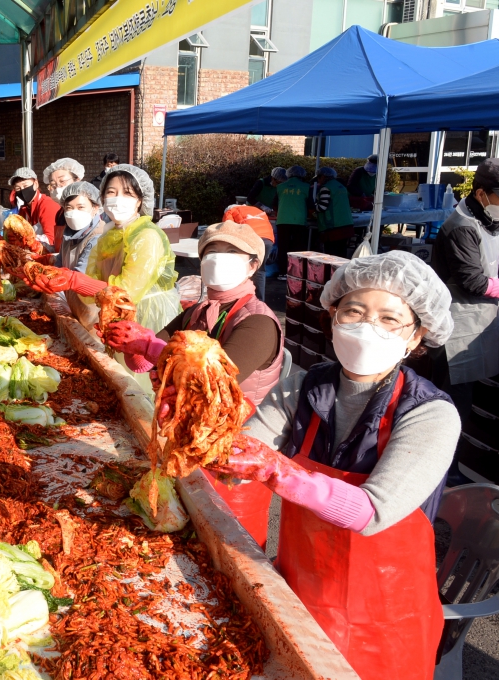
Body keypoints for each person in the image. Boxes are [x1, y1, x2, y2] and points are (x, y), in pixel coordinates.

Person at [208, 250, 457, 680]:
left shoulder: (429, 413)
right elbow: (242, 450)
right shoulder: (305, 385)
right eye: (354, 311)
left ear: (416, 337)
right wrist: (199, 426)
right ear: (333, 316)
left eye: (388, 319)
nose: (366, 327)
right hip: (300, 591)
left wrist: (278, 471)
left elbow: (371, 512)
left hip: (385, 617)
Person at [105, 220, 283, 548]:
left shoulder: (258, 323)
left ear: (253, 264)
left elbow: (211, 382)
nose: (219, 258)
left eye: (231, 252)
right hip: (185, 444)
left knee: (227, 552)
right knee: (178, 541)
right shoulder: (195, 313)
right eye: (211, 251)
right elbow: (145, 361)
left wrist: (153, 347)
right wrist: (132, 341)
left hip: (233, 459)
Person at [26, 164, 180, 394]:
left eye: (127, 193)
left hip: (148, 318)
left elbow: (126, 294)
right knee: (119, 381)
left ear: (140, 200)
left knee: (146, 387)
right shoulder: (109, 233)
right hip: (115, 318)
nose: (118, 199)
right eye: (111, 192)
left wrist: (74, 281)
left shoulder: (147, 235)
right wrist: (62, 279)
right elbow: (93, 286)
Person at [431, 158, 499, 426]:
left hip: (483, 319)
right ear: (481, 194)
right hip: (458, 327)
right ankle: (447, 464)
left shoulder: (489, 218)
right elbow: (473, 281)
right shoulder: (460, 226)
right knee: (452, 401)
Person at [52, 182, 106, 327]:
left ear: (95, 208)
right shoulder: (69, 233)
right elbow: (58, 264)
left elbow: (80, 276)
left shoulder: (98, 236)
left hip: (93, 313)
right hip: (74, 305)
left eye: (81, 207)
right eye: (69, 208)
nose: (73, 212)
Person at [222, 203, 275, 301]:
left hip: (251, 237)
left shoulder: (231, 211)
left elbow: (227, 229)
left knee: (241, 266)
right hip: (268, 240)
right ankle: (259, 300)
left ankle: (238, 298)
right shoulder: (256, 209)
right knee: (260, 270)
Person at [8, 167, 62, 251]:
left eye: (25, 185)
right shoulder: (23, 210)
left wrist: (24, 241)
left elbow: (51, 240)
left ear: (36, 184)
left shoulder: (47, 205)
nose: (22, 190)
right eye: (18, 188)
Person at [274, 165, 311, 279]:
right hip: (299, 221)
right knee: (297, 248)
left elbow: (274, 205)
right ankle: (295, 273)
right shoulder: (306, 187)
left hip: (282, 221)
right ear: (302, 175)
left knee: (283, 247)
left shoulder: (280, 187)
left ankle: (282, 273)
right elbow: (311, 207)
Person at [312, 166, 354, 257]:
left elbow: (322, 207)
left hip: (333, 227)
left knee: (332, 255)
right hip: (347, 224)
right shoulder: (341, 187)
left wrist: (313, 207)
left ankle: (332, 272)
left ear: (322, 177)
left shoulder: (326, 188)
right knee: (342, 253)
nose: (318, 182)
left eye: (318, 178)